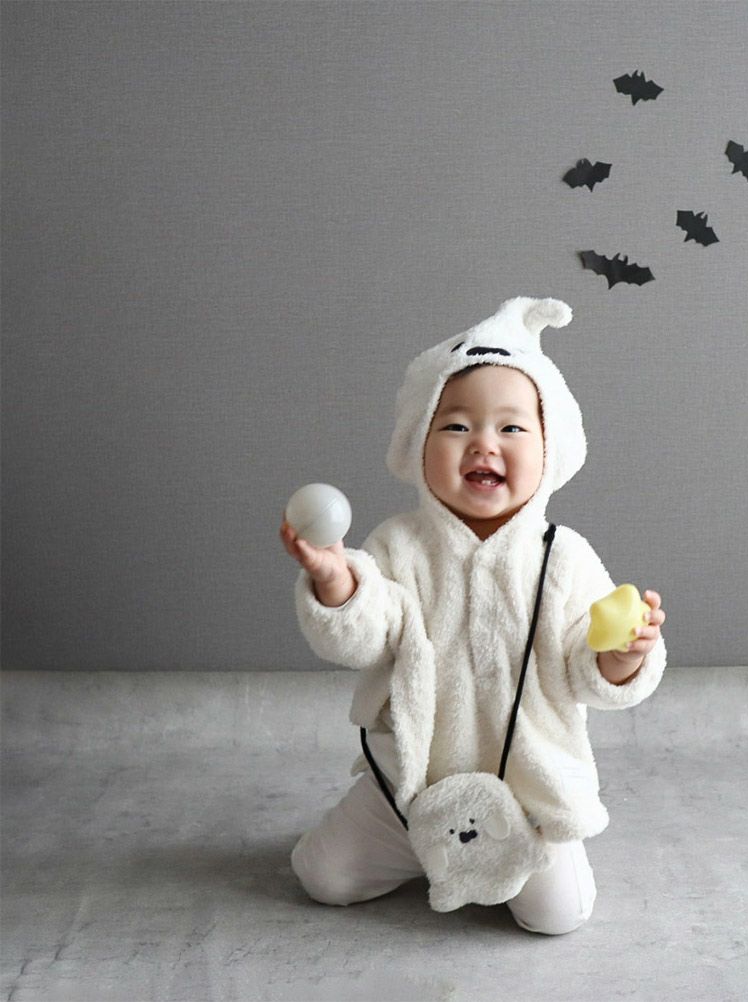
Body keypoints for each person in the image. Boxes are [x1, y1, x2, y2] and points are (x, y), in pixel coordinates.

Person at [280, 297, 666, 935]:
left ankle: (506, 855)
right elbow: (365, 634)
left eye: (512, 429)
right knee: (322, 876)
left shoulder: (563, 557)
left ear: (550, 450)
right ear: (419, 444)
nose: (484, 443)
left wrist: (621, 657)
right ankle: (421, 848)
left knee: (557, 917)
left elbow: (585, 665)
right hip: (410, 790)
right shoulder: (400, 546)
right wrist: (337, 581)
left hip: (527, 797)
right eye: (457, 426)